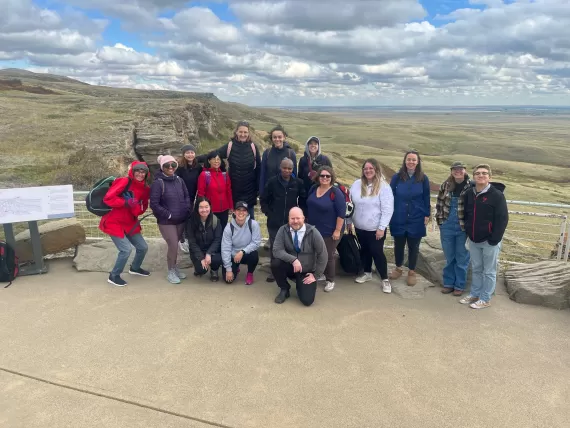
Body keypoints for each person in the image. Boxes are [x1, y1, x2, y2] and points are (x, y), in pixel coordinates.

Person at [459, 164, 508, 309]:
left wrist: (494, 238)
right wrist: (468, 231)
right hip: (474, 239)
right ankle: (475, 293)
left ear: (489, 177)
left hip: (490, 241)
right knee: (477, 268)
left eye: (484, 173)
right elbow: (467, 214)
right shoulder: (469, 193)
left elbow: (502, 219)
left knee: (489, 271)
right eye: (478, 173)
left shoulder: (497, 195)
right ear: (473, 176)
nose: (481, 175)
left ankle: (485, 298)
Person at [99, 161, 151, 287]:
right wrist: (125, 203)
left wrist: (132, 205)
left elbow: (141, 209)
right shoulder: (124, 181)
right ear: (132, 171)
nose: (140, 173)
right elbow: (108, 199)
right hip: (114, 221)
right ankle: (114, 275)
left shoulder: (145, 188)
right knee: (125, 249)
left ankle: (135, 268)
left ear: (146, 173)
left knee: (143, 247)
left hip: (130, 222)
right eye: (137, 170)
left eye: (143, 171)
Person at [347, 159, 394, 293]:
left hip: (375, 228)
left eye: (371, 168)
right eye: (365, 168)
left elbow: (387, 209)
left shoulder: (384, 187)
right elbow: (350, 204)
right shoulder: (356, 184)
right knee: (365, 250)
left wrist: (382, 227)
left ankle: (385, 279)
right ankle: (367, 273)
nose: (368, 171)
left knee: (377, 252)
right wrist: (349, 221)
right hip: (360, 226)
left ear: (376, 170)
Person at [260, 158, 307, 282]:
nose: (287, 170)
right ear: (280, 168)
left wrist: (301, 216)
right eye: (284, 168)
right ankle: (274, 271)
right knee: (275, 247)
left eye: (289, 168)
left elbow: (303, 200)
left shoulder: (298, 183)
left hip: (291, 223)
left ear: (293, 169)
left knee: (290, 246)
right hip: (274, 221)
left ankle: (289, 270)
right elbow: (264, 199)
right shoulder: (272, 182)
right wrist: (268, 213)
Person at [202, 121, 261, 219]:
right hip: (234, 189)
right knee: (237, 218)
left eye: (245, 132)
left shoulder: (253, 147)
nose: (243, 134)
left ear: (248, 133)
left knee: (250, 219)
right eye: (240, 132)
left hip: (250, 190)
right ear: (236, 132)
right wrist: (194, 159)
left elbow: (259, 167)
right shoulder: (230, 146)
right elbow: (213, 155)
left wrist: (258, 188)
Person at [389, 150, 431, 286]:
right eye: (409, 159)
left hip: (416, 216)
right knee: (399, 244)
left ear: (418, 162)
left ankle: (412, 271)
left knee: (414, 246)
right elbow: (390, 196)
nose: (411, 162)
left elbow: (426, 197)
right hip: (398, 216)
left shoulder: (423, 178)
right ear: (405, 161)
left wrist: (426, 214)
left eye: (414, 160)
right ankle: (399, 267)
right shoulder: (397, 177)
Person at [272, 207, 328, 306]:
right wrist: (293, 260)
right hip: (291, 266)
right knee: (276, 263)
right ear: (288, 219)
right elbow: (276, 250)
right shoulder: (283, 230)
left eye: (298, 218)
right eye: (292, 218)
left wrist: (316, 275)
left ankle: (300, 284)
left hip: (306, 271)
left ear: (303, 218)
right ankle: (284, 288)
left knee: (307, 301)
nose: (295, 221)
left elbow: (323, 254)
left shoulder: (313, 232)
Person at [150, 155, 191, 284]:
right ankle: (171, 271)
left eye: (173, 165)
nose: (170, 168)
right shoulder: (158, 183)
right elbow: (154, 204)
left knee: (176, 246)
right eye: (167, 165)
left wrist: (186, 209)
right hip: (166, 221)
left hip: (181, 219)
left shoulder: (179, 180)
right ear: (162, 167)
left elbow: (186, 197)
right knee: (173, 244)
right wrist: (168, 215)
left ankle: (174, 267)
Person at [306, 165, 346, 292]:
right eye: (322, 175)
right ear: (318, 176)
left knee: (328, 255)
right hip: (314, 229)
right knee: (317, 253)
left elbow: (341, 214)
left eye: (327, 176)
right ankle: (321, 274)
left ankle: (330, 280)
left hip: (330, 230)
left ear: (331, 178)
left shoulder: (336, 193)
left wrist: (337, 231)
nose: (324, 178)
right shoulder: (313, 188)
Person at [436, 161, 472, 296]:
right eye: (455, 169)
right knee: (449, 256)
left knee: (462, 257)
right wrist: (441, 222)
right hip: (447, 226)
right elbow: (439, 204)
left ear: (465, 171)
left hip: (463, 227)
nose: (458, 171)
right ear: (451, 171)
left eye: (460, 169)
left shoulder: (471, 185)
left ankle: (459, 285)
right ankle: (448, 283)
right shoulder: (445, 185)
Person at [221, 201, 262, 285]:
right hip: (234, 256)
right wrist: (228, 270)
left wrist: (242, 251)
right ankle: (235, 267)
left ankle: (250, 273)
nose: (241, 212)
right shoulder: (229, 228)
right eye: (238, 210)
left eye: (244, 210)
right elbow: (225, 249)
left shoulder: (253, 224)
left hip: (246, 254)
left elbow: (256, 242)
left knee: (254, 255)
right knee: (228, 281)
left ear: (247, 213)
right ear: (234, 212)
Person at [186, 197, 223, 282]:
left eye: (206, 207)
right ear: (197, 208)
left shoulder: (215, 220)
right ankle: (198, 268)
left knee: (217, 259)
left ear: (210, 207)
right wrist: (201, 257)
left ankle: (214, 270)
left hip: (211, 250)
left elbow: (218, 239)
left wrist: (209, 253)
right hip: (198, 250)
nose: (204, 210)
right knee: (201, 270)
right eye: (201, 207)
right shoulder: (191, 221)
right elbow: (192, 242)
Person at [196, 152, 233, 231]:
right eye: (214, 159)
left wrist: (231, 207)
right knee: (211, 231)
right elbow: (201, 194)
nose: (216, 161)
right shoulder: (204, 175)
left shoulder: (224, 175)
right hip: (210, 210)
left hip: (224, 209)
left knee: (223, 229)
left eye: (218, 159)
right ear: (209, 161)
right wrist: (202, 208)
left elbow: (228, 192)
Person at [259, 125, 298, 193]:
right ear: (272, 138)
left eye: (279, 137)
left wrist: (293, 192)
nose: (277, 139)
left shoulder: (291, 153)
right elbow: (263, 174)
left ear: (284, 137)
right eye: (274, 137)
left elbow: (294, 175)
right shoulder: (267, 153)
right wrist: (262, 193)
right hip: (270, 192)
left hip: (285, 192)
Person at [176, 144, 202, 208]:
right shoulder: (179, 167)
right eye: (187, 153)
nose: (190, 155)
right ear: (184, 155)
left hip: (193, 196)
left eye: (192, 152)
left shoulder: (198, 167)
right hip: (181, 197)